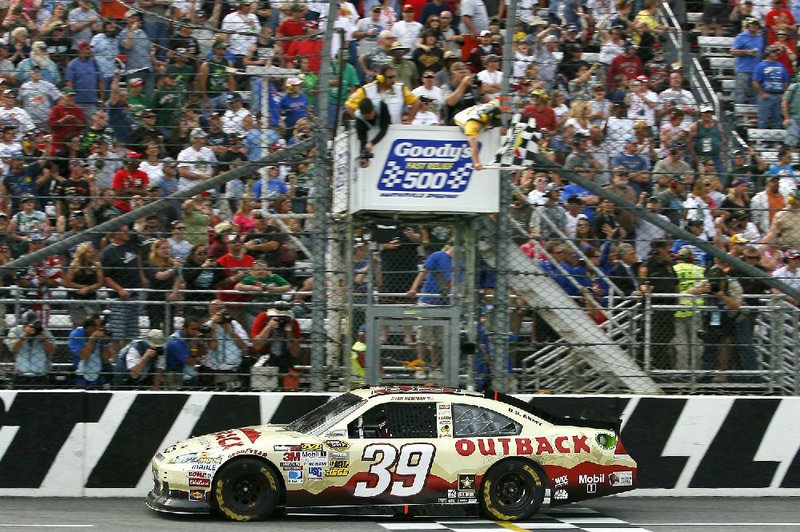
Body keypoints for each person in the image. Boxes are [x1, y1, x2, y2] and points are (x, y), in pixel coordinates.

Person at [101, 225, 144, 352]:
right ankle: (116, 359)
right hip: (118, 299)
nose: (127, 233)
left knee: (131, 331)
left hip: (134, 294)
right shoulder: (108, 252)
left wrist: (142, 277)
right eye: (123, 231)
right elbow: (106, 277)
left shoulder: (131, 244)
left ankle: (128, 357)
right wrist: (119, 289)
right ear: (115, 234)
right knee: (117, 333)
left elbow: (138, 259)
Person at [701, 258, 743, 382]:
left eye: (718, 282)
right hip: (711, 315)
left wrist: (722, 296)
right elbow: (691, 291)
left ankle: (722, 373)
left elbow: (736, 304)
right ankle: (706, 373)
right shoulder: (708, 283)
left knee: (725, 343)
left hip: (729, 316)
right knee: (709, 344)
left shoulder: (732, 284)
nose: (716, 284)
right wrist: (703, 290)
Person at [638, 240, 678, 369]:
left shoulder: (668, 265)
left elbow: (676, 284)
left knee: (666, 338)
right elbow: (643, 283)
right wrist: (645, 290)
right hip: (654, 309)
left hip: (668, 308)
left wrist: (676, 303)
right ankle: (644, 368)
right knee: (652, 340)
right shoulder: (647, 265)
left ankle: (662, 370)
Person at [200, 300, 252, 390]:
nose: (221, 312)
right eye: (218, 309)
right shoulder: (206, 326)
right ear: (211, 312)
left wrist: (230, 331)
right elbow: (213, 346)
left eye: (222, 309)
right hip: (212, 367)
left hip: (230, 367)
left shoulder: (234, 324)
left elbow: (244, 346)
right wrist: (213, 325)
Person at [250, 306, 302, 389]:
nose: (281, 320)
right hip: (264, 356)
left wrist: (289, 334)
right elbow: (256, 346)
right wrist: (268, 327)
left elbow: (295, 353)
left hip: (286, 358)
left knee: (291, 366)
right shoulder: (263, 318)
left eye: (283, 317)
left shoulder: (292, 323)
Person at [5, 310, 56, 386]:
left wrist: (43, 338)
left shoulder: (44, 331)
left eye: (33, 324)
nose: (31, 326)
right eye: (28, 324)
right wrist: (24, 335)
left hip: (40, 374)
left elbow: (53, 350)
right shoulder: (15, 331)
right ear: (23, 324)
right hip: (21, 374)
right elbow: (13, 349)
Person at [61, 241, 104, 327]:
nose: (92, 254)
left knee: (95, 326)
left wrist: (88, 289)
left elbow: (100, 283)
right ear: (83, 254)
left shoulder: (97, 265)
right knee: (78, 327)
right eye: (89, 252)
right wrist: (81, 287)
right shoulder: (74, 266)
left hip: (92, 299)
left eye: (93, 252)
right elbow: (67, 283)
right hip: (77, 301)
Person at [454, 99, 503, 170]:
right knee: (475, 135)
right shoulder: (473, 122)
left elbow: (496, 101)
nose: (492, 125)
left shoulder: (493, 106)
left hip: (476, 113)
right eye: (491, 122)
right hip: (461, 120)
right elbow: (473, 142)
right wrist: (476, 162)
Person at [68, 314, 114, 387]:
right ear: (89, 327)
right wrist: (92, 339)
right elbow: (83, 357)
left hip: (100, 371)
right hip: (81, 371)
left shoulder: (103, 333)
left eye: (101, 326)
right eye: (97, 326)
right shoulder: (77, 334)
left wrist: (105, 343)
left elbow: (106, 358)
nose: (100, 329)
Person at [753, 45, 790, 128]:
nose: (776, 54)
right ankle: (762, 140)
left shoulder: (781, 65)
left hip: (778, 95)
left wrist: (783, 92)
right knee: (763, 120)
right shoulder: (761, 65)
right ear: (768, 53)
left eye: (777, 52)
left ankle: (775, 140)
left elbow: (786, 80)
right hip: (766, 95)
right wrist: (762, 93)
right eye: (774, 52)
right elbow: (755, 81)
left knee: (777, 120)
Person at [164, 316, 204, 390]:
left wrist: (200, 342)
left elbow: (202, 353)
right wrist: (195, 344)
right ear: (184, 329)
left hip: (186, 373)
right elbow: (192, 362)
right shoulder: (175, 342)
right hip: (174, 375)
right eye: (193, 329)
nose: (196, 332)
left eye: (198, 329)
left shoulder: (189, 337)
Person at [731, 17, 764, 104]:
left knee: (755, 94)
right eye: (752, 24)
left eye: (756, 25)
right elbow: (732, 52)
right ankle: (738, 115)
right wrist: (747, 52)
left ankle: (753, 115)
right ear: (748, 25)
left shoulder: (761, 38)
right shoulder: (741, 36)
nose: (754, 26)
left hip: (756, 70)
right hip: (743, 69)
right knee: (740, 93)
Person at [355, 97, 390, 165]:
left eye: (370, 115)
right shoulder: (359, 120)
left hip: (383, 123)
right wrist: (364, 159)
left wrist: (372, 143)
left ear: (373, 109)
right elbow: (363, 141)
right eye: (366, 117)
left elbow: (384, 129)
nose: (370, 118)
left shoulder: (382, 106)